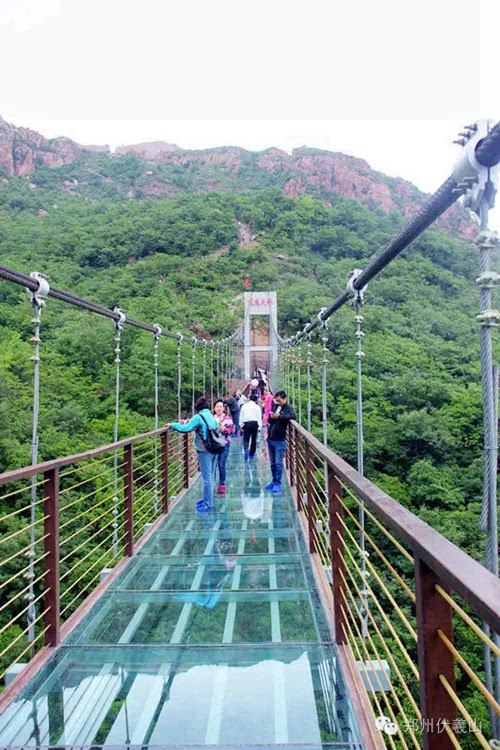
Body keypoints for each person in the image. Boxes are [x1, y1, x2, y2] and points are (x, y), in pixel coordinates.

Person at [171, 396, 218, 512]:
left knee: (207, 478)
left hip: (204, 451)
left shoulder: (198, 417)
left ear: (197, 408)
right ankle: (208, 501)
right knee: (211, 476)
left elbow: (186, 429)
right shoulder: (210, 416)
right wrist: (188, 421)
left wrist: (173, 425)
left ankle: (208, 503)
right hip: (215, 449)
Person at [266, 390, 296, 494]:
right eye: (276, 400)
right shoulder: (276, 406)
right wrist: (272, 417)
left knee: (278, 463)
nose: (277, 402)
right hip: (270, 438)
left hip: (279, 440)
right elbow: (270, 421)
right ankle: (274, 481)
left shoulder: (288, 408)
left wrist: (280, 416)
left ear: (284, 399)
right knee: (272, 463)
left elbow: (293, 416)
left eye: (279, 401)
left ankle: (278, 483)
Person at [213, 399, 233, 494]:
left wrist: (223, 429)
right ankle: (212, 483)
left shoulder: (227, 419)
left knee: (221, 464)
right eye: (217, 406)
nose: (219, 408)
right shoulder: (211, 418)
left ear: (224, 408)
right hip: (213, 445)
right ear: (214, 408)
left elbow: (230, 431)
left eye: (221, 406)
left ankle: (222, 484)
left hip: (225, 444)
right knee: (213, 464)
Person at [239, 393, 262, 460]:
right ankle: (252, 454)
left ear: (249, 399)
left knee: (246, 438)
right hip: (255, 424)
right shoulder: (257, 407)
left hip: (246, 424)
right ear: (256, 400)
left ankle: (246, 449)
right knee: (253, 439)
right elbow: (259, 417)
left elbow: (241, 416)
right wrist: (259, 427)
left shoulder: (244, 406)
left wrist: (241, 425)